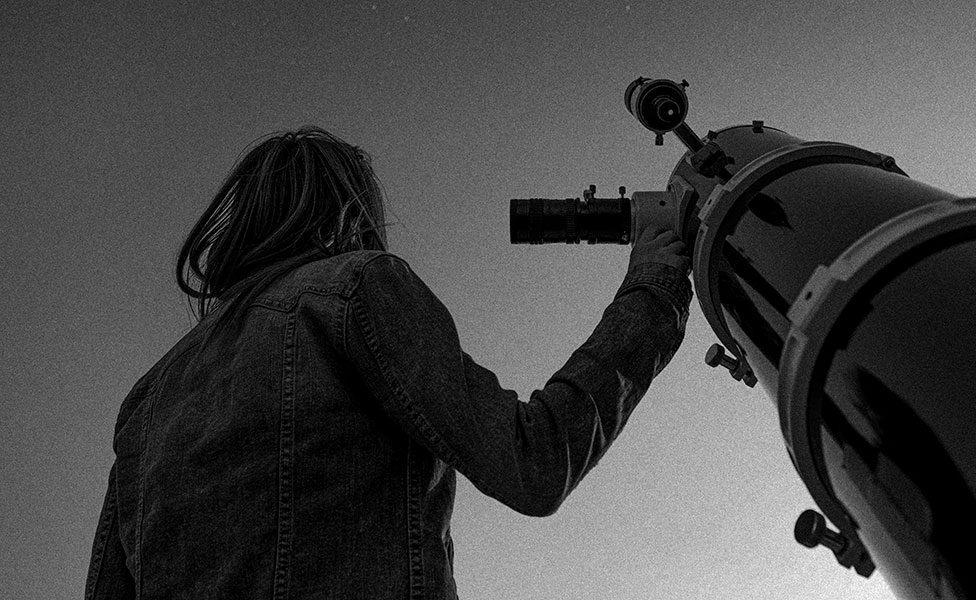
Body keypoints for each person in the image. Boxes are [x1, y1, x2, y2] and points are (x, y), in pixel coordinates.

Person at [84, 126, 692, 599]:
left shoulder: (147, 398)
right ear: (350, 212)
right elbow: (533, 462)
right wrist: (653, 289)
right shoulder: (356, 288)